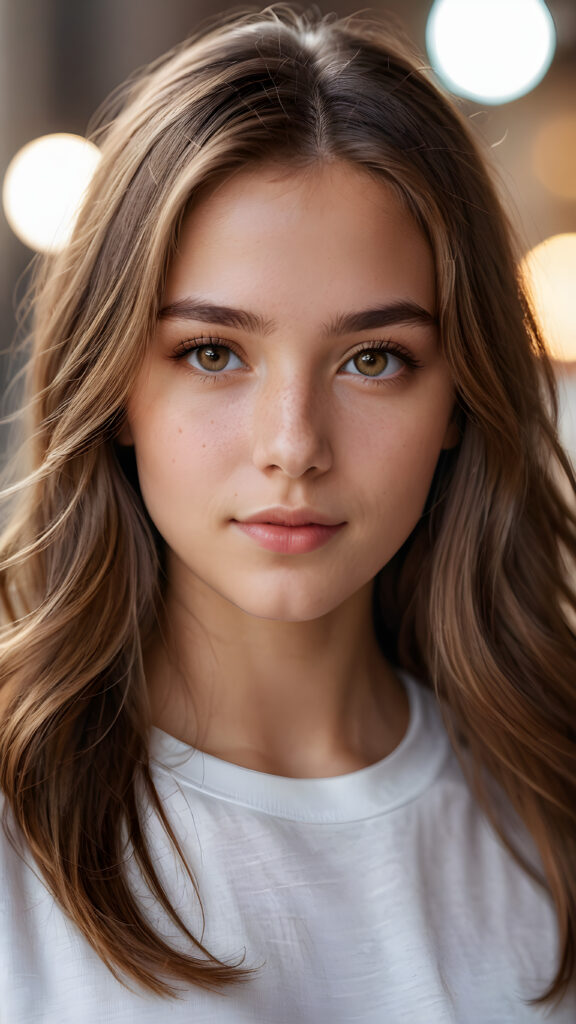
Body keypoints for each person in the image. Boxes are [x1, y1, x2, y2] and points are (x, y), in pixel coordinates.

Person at [0, 3, 575, 1021]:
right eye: (213, 353)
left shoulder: (548, 811)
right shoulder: (17, 830)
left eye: (373, 359)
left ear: (458, 399)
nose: (294, 443)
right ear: (117, 389)